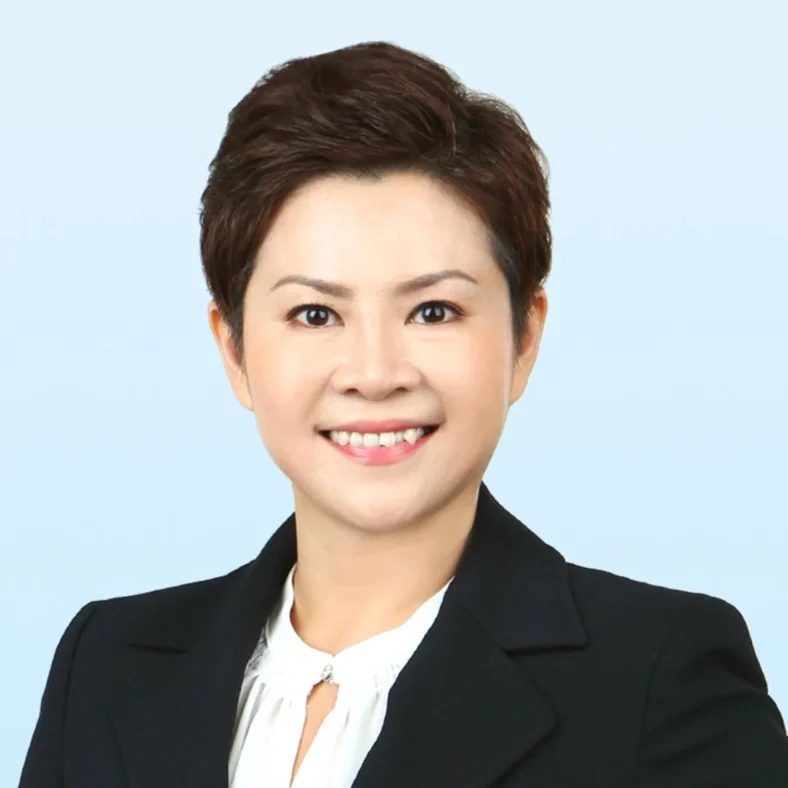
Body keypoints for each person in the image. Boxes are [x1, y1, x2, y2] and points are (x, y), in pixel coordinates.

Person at [19, 40, 788, 788]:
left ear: (524, 337)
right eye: (315, 314)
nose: (376, 374)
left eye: (434, 310)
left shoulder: (659, 680)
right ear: (234, 350)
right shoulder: (106, 665)